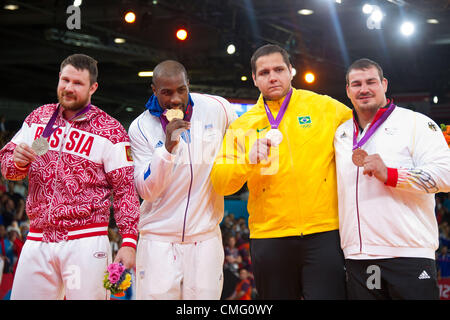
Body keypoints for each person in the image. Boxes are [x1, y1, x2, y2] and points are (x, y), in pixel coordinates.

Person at [211, 44, 352, 299]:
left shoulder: (325, 108)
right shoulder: (242, 126)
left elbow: (365, 133)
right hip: (270, 236)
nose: (272, 76)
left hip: (323, 232)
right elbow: (221, 183)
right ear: (254, 79)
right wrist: (247, 159)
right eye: (264, 72)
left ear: (291, 71)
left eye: (278, 69)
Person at [0, 53, 140, 300]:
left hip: (85, 240)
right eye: (65, 80)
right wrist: (16, 162)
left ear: (93, 87)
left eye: (77, 83)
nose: (68, 88)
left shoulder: (111, 131)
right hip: (38, 237)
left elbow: (125, 190)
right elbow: (8, 168)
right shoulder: (38, 118)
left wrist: (128, 241)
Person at [334, 58, 450, 299]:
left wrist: (392, 175)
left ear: (384, 84)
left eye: (371, 82)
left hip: (409, 253)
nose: (363, 89)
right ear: (347, 90)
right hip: (358, 256)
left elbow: (445, 175)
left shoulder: (416, 123)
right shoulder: (342, 133)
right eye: (356, 84)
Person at [128, 60, 237, 299]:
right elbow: (147, 191)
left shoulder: (218, 108)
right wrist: (167, 149)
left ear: (189, 84)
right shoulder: (140, 128)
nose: (175, 99)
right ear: (154, 90)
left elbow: (245, 132)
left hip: (205, 238)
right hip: (158, 240)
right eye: (166, 92)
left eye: (181, 90)